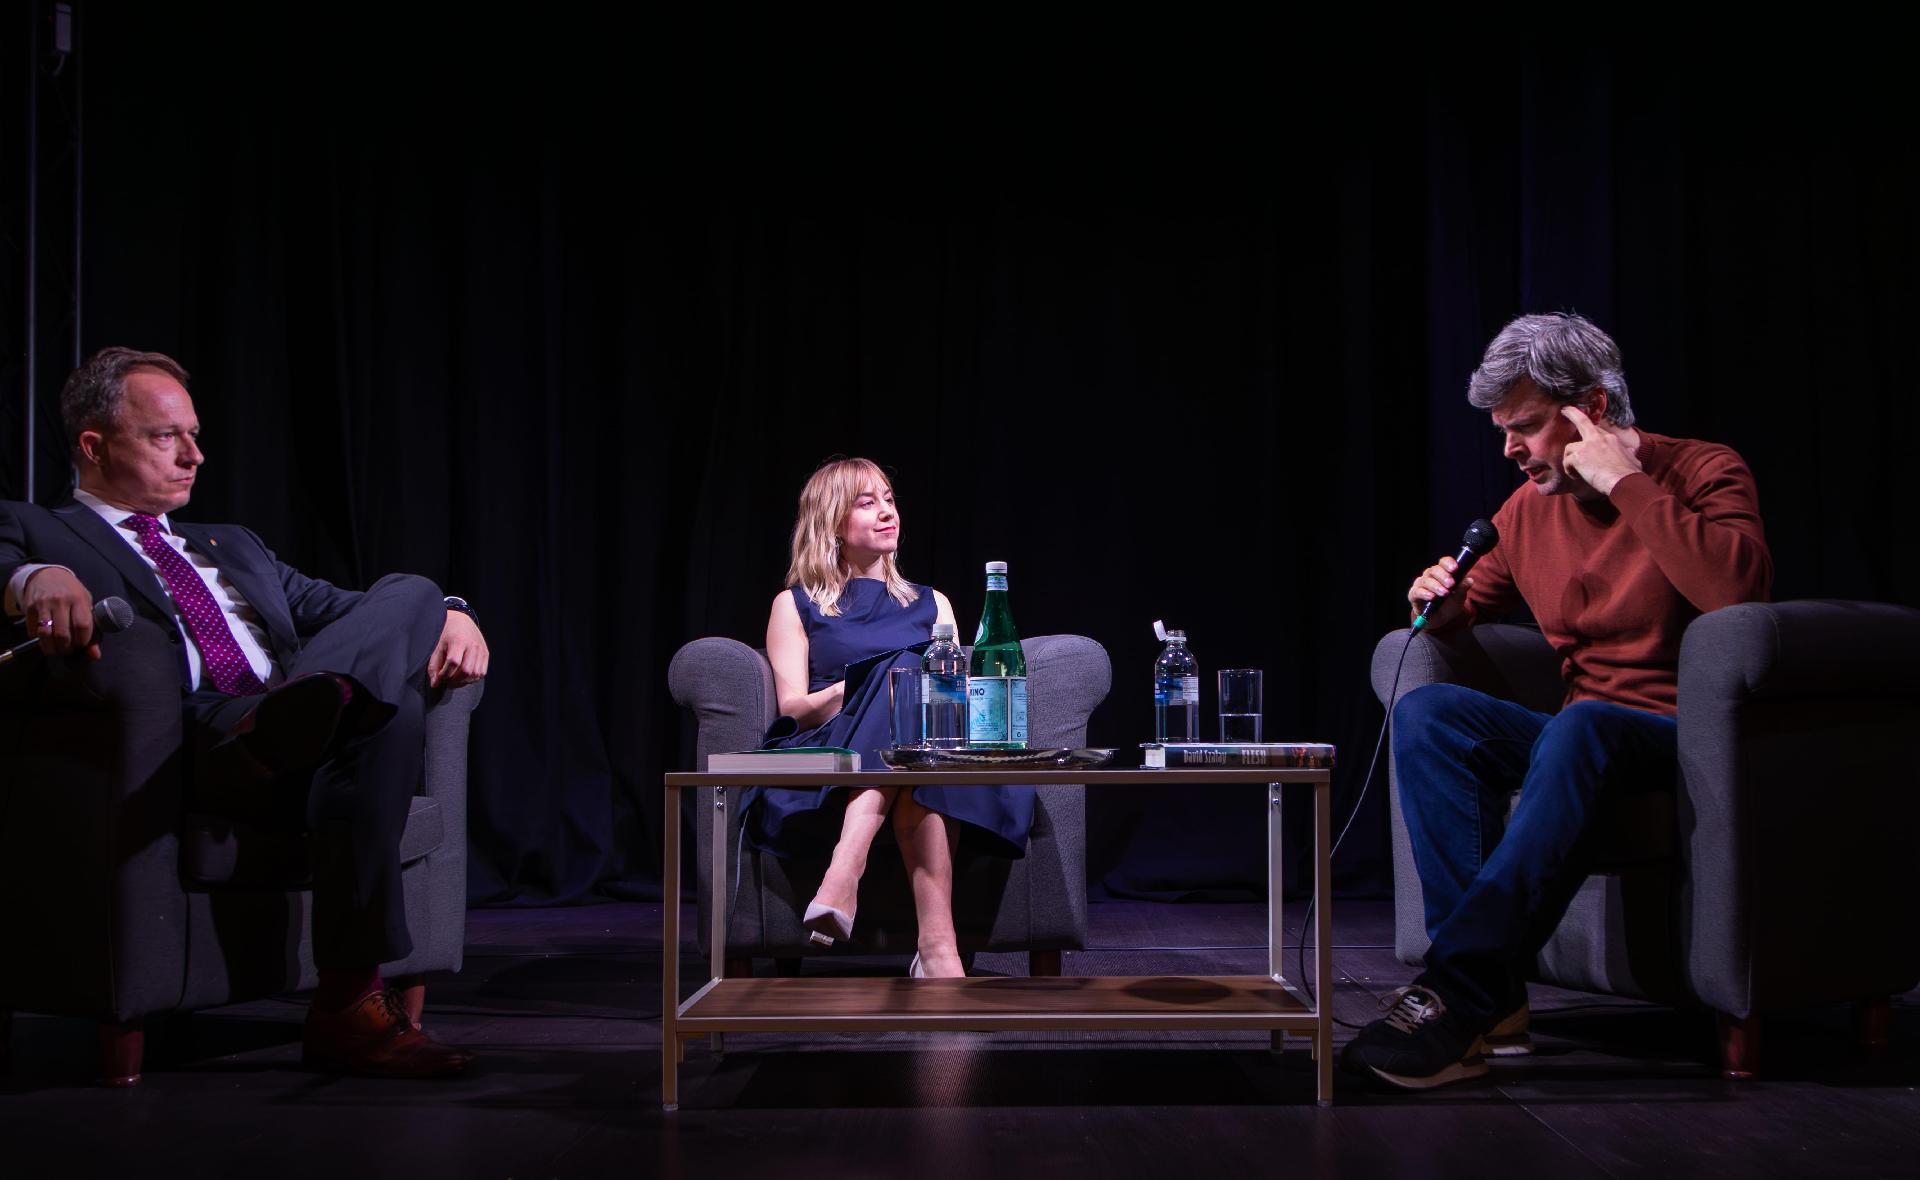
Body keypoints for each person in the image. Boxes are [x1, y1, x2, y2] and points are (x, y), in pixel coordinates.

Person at [0, 347, 489, 1078]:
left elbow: (371, 614)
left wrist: (452, 612)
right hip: (192, 741)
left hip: (291, 726)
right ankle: (351, 1005)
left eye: (195, 435)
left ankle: (316, 710)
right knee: (385, 716)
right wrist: (35, 577)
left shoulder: (234, 546)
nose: (194, 455)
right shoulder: (36, 527)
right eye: (167, 436)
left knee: (409, 599)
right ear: (95, 445)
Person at [1341, 313, 1772, 1090]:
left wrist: (1625, 485)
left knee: (1585, 727)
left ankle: (1456, 992)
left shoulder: (1704, 471)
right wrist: (1438, 610)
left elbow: (1736, 596)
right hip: (1581, 734)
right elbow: (1466, 627)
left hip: (1684, 739)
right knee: (1429, 713)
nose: (1508, 450)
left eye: (1526, 428)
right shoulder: (1526, 511)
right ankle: (1493, 1004)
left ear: (1593, 411)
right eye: (1502, 430)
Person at [742, 457, 1035, 979]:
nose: (886, 513)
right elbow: (794, 709)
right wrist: (872, 683)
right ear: (831, 521)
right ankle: (937, 947)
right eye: (866, 502)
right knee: (903, 671)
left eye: (889, 500)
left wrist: (901, 685)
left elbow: (953, 700)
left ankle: (851, 870)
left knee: (921, 730)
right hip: (834, 750)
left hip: (926, 750)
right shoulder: (797, 604)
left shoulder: (933, 603)